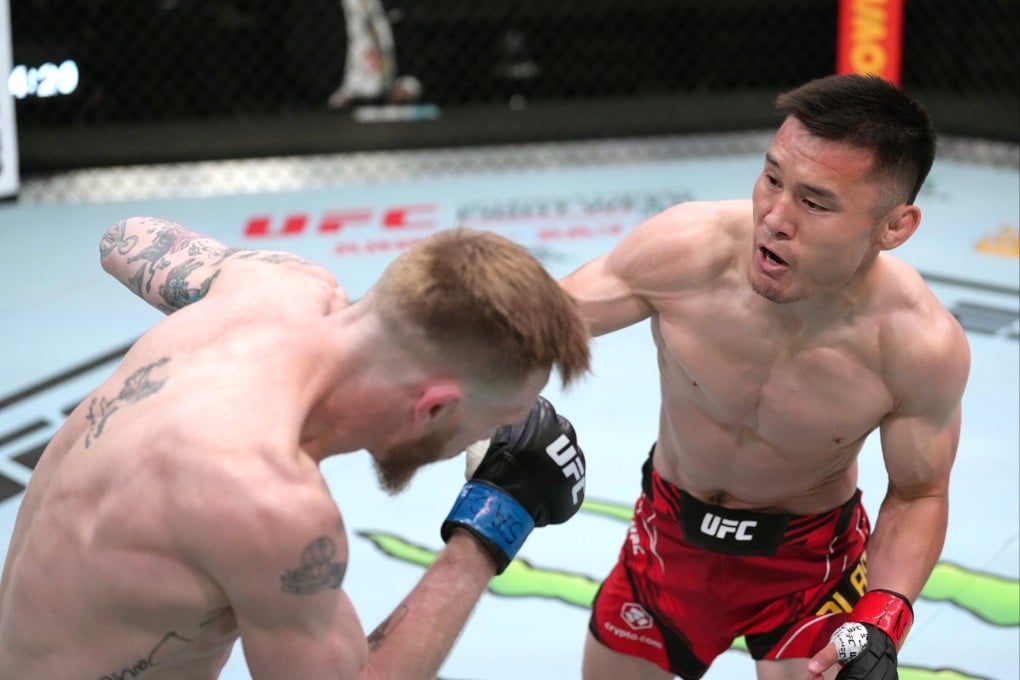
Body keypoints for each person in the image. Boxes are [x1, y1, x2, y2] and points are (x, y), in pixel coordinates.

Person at [0, 218, 592, 679]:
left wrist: (251, 326)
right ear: (433, 409)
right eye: (499, 420)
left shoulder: (279, 286)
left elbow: (123, 237)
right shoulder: (266, 501)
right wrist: (494, 518)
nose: (498, 435)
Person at [559, 73, 970, 680]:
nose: (774, 218)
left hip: (810, 568)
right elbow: (537, 324)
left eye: (815, 201)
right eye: (772, 178)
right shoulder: (687, 248)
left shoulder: (916, 344)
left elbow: (917, 493)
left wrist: (884, 614)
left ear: (895, 227)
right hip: (668, 536)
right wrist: (495, 409)